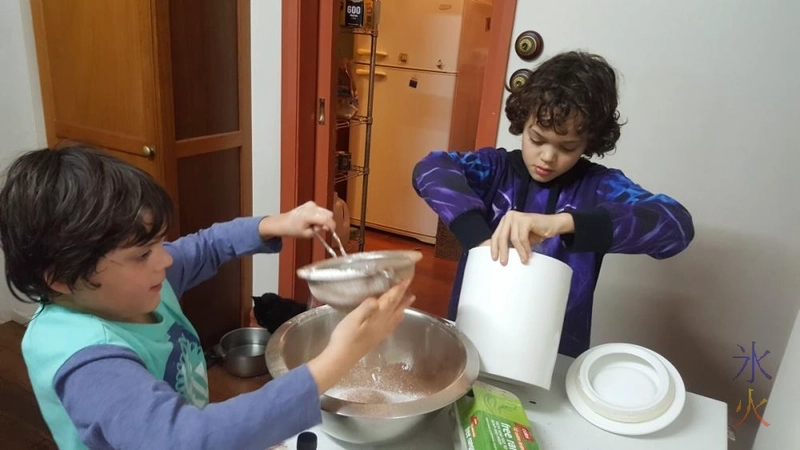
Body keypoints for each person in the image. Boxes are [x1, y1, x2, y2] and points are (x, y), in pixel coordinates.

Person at [0, 146, 415, 450]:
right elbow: (187, 439)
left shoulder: (133, 285)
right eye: (143, 253)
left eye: (159, 242)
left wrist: (276, 224)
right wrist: (339, 357)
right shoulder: (85, 360)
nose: (166, 259)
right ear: (61, 277)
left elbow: (206, 246)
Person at [412, 51, 694, 357]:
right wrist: (478, 240)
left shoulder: (598, 188)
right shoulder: (495, 170)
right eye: (537, 139)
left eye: (567, 147)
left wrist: (564, 223)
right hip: (474, 338)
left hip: (554, 352)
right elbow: (430, 169)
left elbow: (676, 227)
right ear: (524, 121)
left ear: (590, 142)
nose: (547, 157)